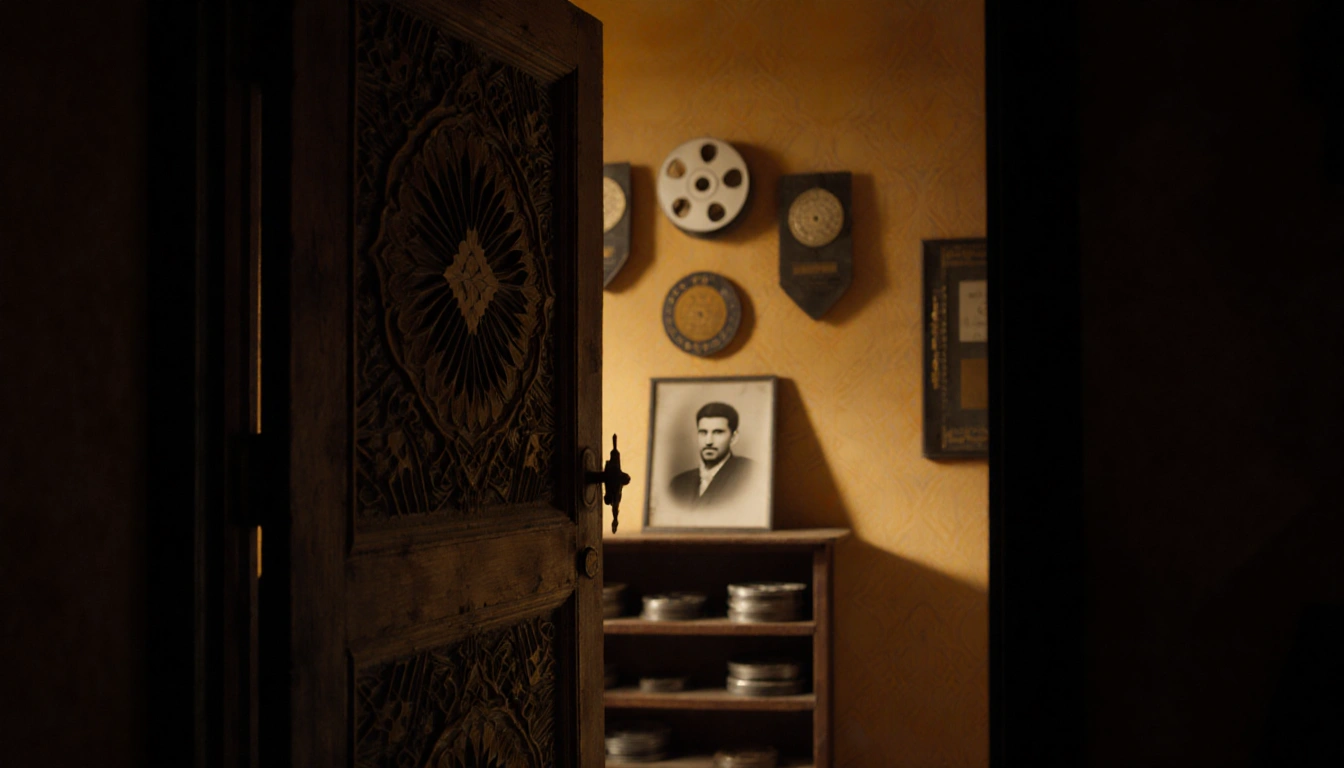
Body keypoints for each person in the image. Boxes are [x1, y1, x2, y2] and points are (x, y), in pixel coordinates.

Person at [668, 402, 754, 509]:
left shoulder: (749, 474)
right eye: (703, 432)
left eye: (718, 432)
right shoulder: (678, 484)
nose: (708, 441)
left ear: (733, 437)